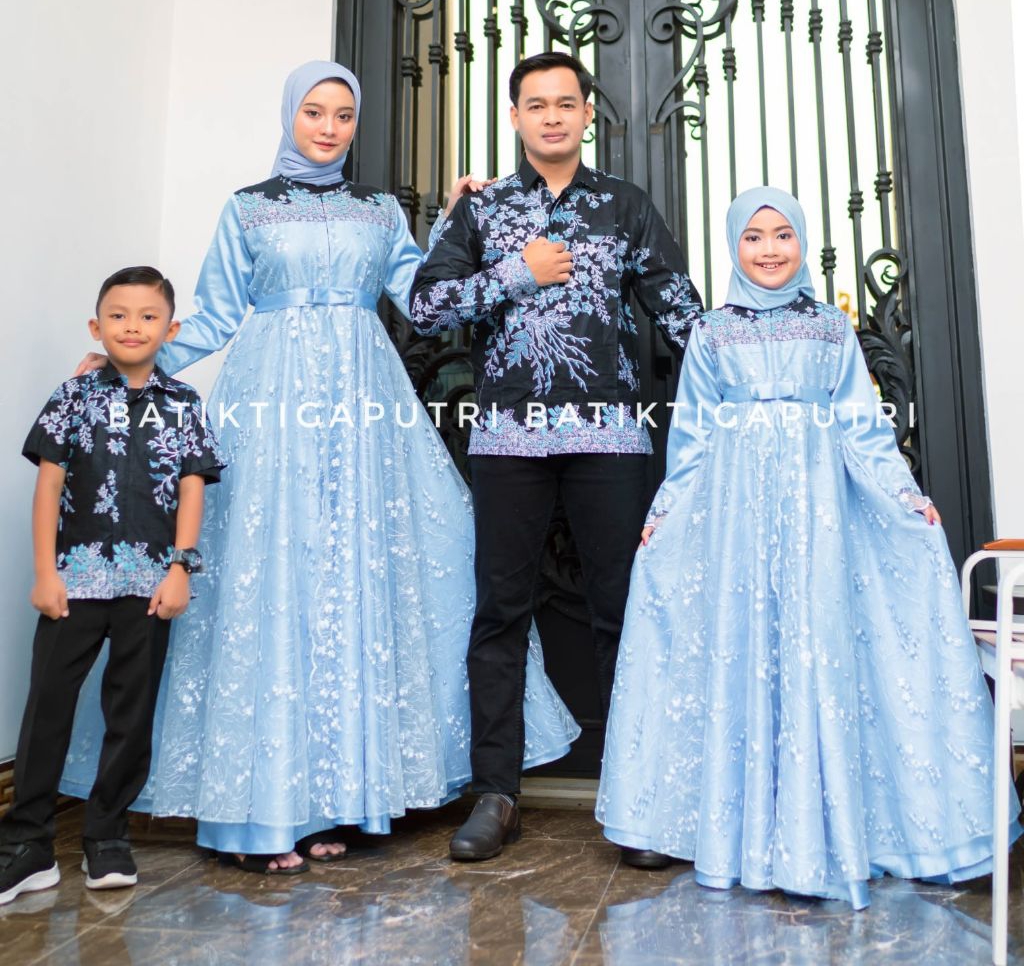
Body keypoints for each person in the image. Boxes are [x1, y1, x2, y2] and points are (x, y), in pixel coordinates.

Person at [62, 61, 578, 874]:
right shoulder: (248, 208)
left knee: (350, 580)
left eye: (343, 114)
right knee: (274, 581)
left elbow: (423, 300)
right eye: (314, 112)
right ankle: (261, 811)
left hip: (364, 411)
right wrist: (134, 359)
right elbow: (216, 316)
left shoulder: (379, 211)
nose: (329, 127)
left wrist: (471, 239)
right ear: (290, 117)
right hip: (269, 407)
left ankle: (338, 799)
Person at [596, 186, 1020, 905]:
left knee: (817, 639)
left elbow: (863, 425)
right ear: (734, 247)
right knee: (738, 640)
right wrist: (666, 510)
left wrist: (904, 495)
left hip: (820, 514)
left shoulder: (829, 327)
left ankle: (842, 826)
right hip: (733, 516)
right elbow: (691, 437)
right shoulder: (711, 333)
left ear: (801, 242)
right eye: (754, 237)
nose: (769, 250)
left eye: (783, 235)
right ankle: (714, 823)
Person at [410, 51, 704, 862]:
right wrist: (517, 271)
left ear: (585, 115)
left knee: (623, 610)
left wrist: (767, 368)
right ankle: (495, 794)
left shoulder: (624, 206)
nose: (550, 116)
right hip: (509, 436)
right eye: (535, 104)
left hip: (608, 434)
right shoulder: (482, 210)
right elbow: (427, 306)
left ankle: (638, 799)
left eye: (564, 103)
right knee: (500, 612)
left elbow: (681, 311)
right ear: (514, 117)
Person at [0, 267, 222, 905]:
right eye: (119, 316)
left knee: (131, 710)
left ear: (170, 331)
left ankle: (107, 836)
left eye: (148, 316)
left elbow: (192, 489)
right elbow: (48, 488)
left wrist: (180, 569)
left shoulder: (184, 403)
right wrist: (45, 573)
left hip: (149, 587)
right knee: (48, 706)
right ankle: (27, 844)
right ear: (97, 327)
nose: (132, 327)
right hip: (74, 581)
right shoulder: (72, 396)